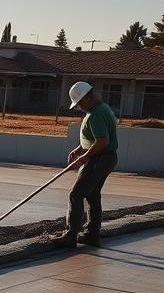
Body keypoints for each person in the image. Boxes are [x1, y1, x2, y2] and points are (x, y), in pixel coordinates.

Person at [51, 81, 119, 247]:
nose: (79, 107)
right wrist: (80, 149)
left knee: (76, 194)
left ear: (88, 97)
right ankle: (92, 233)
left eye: (80, 103)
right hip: (105, 158)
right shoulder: (102, 109)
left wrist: (85, 156)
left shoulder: (96, 114)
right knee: (92, 195)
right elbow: (95, 138)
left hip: (100, 159)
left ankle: (70, 236)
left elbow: (102, 141)